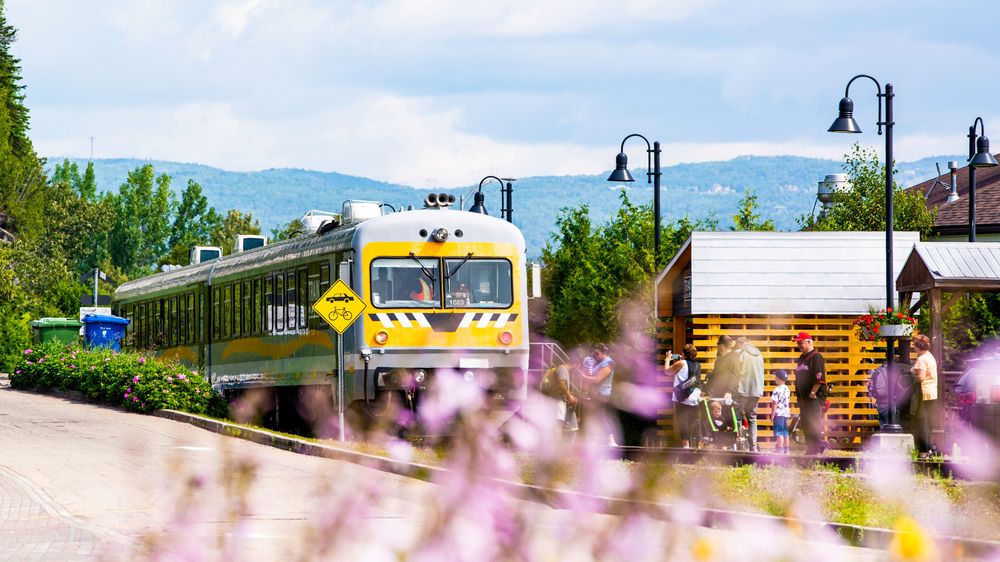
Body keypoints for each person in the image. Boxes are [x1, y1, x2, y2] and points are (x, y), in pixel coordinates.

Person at [793, 331, 827, 455]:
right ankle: (811, 449)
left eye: (801, 342)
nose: (799, 345)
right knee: (806, 424)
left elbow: (819, 378)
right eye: (798, 343)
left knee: (813, 423)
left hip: (814, 398)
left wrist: (813, 392)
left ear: (809, 342)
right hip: (803, 399)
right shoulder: (802, 358)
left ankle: (818, 448)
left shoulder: (816, 357)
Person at [667, 345, 701, 448]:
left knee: (683, 422)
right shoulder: (698, 364)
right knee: (692, 421)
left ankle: (686, 446)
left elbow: (667, 372)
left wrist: (667, 359)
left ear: (683, 354)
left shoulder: (681, 363)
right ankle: (695, 446)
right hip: (694, 396)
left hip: (681, 396)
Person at [735, 336, 765, 451]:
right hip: (756, 391)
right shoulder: (759, 354)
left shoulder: (740, 353)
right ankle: (753, 447)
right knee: (752, 418)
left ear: (739, 344)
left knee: (737, 417)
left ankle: (737, 446)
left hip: (742, 390)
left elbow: (735, 372)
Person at [583, 343, 617, 446]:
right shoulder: (597, 362)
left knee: (599, 416)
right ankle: (598, 440)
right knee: (595, 417)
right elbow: (590, 373)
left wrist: (583, 377)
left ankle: (610, 440)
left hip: (602, 394)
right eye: (593, 352)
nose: (594, 354)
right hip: (594, 393)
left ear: (603, 353)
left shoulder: (609, 363)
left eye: (597, 353)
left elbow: (598, 379)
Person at [911, 334, 939, 455]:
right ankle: (929, 448)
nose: (914, 348)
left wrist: (911, 375)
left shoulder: (921, 359)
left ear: (918, 346)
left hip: (923, 391)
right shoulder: (930, 356)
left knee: (921, 420)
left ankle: (925, 449)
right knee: (926, 421)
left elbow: (921, 377)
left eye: (914, 346)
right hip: (932, 392)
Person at [553, 354, 581, 435]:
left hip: (560, 400)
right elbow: (561, 384)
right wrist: (570, 397)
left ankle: (557, 443)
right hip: (558, 400)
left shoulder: (564, 370)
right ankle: (556, 445)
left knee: (559, 423)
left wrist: (571, 396)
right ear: (577, 364)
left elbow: (564, 386)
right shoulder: (562, 369)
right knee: (558, 423)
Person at [770, 369, 791, 454]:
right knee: (785, 432)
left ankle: (780, 451)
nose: (775, 379)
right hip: (786, 413)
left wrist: (772, 415)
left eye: (776, 377)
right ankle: (787, 450)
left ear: (778, 378)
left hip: (778, 413)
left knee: (779, 433)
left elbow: (774, 403)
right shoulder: (787, 389)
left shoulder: (776, 390)